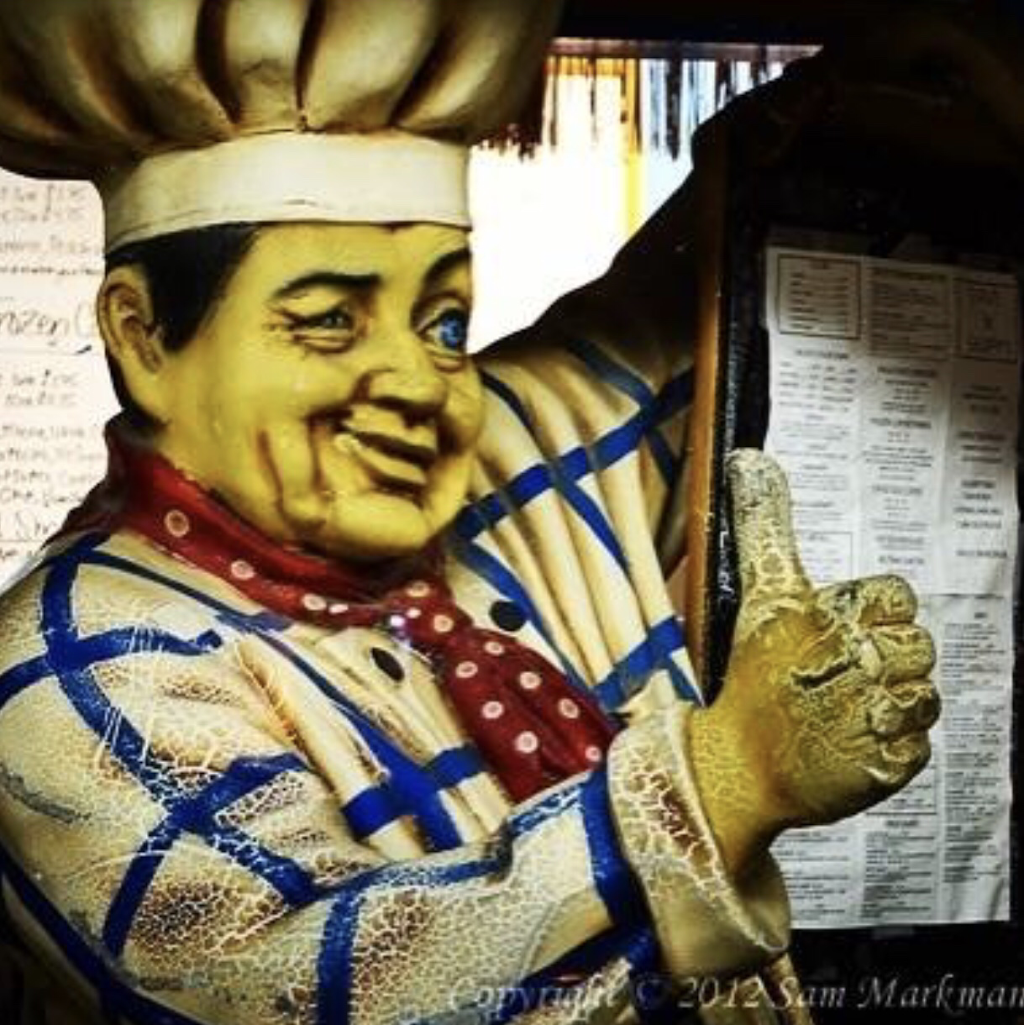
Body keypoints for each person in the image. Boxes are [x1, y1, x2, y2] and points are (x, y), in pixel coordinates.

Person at [0, 2, 943, 1023]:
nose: (422, 384)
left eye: (444, 322)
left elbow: (700, 305)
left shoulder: (484, 463)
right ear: (143, 336)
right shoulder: (78, 665)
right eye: (328, 320)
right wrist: (723, 778)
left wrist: (881, 88)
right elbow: (280, 988)